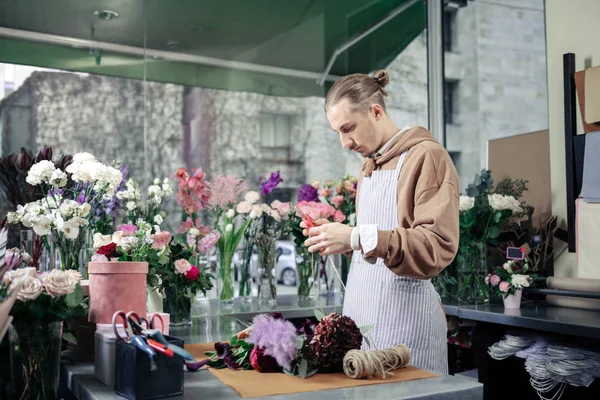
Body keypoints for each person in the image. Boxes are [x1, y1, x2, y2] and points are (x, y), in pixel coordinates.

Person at [302, 69, 459, 374]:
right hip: (363, 323)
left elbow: (436, 246)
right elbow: (376, 247)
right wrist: (337, 237)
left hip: (406, 330)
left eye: (348, 128)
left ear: (375, 111)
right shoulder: (369, 167)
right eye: (337, 132)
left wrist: (356, 238)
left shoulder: (426, 156)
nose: (344, 142)